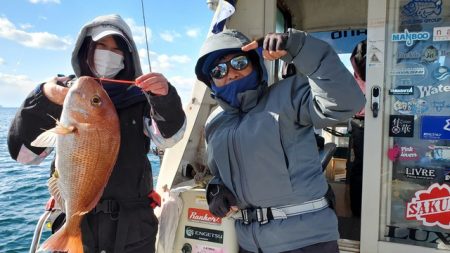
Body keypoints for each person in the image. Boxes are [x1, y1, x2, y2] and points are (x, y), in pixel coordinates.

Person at [7, 14, 186, 253]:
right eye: (101, 46)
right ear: (86, 50)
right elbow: (25, 155)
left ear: (127, 58)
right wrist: (43, 97)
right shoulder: (64, 96)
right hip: (77, 227)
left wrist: (164, 98)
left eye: (117, 49)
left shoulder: (141, 99)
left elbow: (170, 137)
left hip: (133, 230)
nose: (108, 54)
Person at [194, 29, 365, 253]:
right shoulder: (214, 123)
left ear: (255, 63)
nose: (231, 73)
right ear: (211, 81)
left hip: (307, 242)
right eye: (219, 70)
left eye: (239, 62)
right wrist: (216, 189)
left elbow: (347, 102)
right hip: (248, 244)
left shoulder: (290, 94)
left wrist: (299, 47)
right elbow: (219, 173)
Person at [348, 39, 367, 218]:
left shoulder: (354, 73)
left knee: (359, 168)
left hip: (359, 122)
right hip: (360, 123)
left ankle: (358, 213)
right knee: (361, 168)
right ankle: (359, 213)